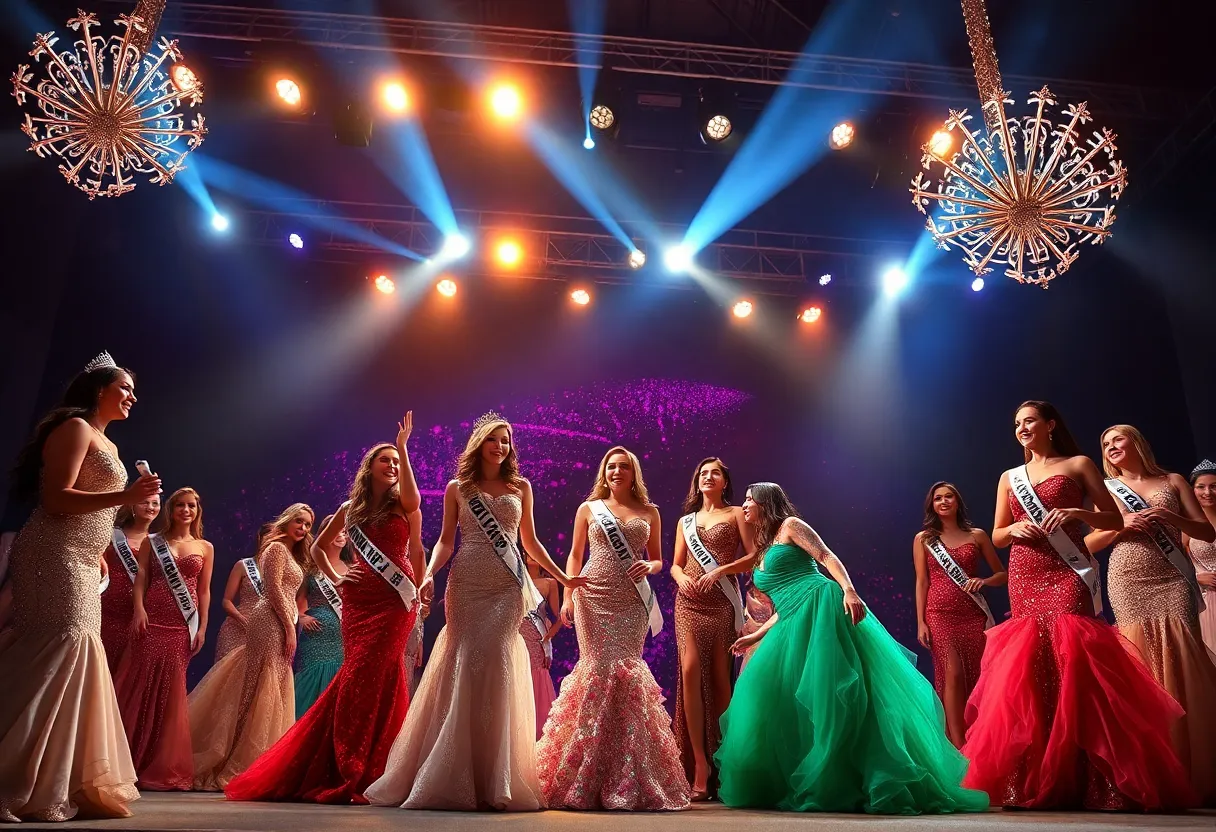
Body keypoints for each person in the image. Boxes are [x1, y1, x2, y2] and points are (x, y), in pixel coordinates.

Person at [961, 401, 1196, 810]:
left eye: (1029, 420)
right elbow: (998, 535)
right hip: (1025, 572)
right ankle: (1034, 775)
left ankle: (1097, 779)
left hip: (1066, 570)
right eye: (1016, 423)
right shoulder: (1009, 477)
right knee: (1031, 665)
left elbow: (1114, 520)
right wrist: (1015, 526)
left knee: (1076, 661)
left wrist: (1074, 511)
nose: (1021, 428)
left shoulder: (1079, 464)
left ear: (1050, 425)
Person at [714, 482, 987, 814]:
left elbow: (826, 556)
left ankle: (851, 778)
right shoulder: (764, 545)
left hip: (824, 610)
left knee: (834, 696)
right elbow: (785, 604)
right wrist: (756, 636)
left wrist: (849, 590)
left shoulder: (791, 527)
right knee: (784, 698)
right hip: (793, 622)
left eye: (748, 500)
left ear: (765, 503)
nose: (743, 505)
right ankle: (799, 778)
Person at [366, 413, 585, 811]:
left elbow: (530, 544)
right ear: (479, 444)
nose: (501, 447)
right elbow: (446, 543)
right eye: (494, 440)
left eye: (506, 441)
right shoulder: (457, 488)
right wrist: (429, 573)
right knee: (464, 660)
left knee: (498, 660)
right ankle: (453, 771)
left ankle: (494, 777)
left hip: (506, 588)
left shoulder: (521, 487)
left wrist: (564, 578)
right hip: (466, 584)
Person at [227, 419, 426, 804]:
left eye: (396, 463)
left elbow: (415, 502)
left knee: (382, 674)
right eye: (385, 461)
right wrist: (337, 575)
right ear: (369, 468)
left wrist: (403, 447)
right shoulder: (351, 509)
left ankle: (378, 766)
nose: (393, 467)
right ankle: (346, 762)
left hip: (394, 601)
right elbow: (318, 550)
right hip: (359, 601)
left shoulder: (403, 503)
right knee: (358, 675)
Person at [0, 352, 160, 821]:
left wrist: (102, 556)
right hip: (52, 554)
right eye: (124, 388)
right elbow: (56, 499)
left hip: (84, 563)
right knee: (60, 647)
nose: (132, 396)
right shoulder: (75, 430)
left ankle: (62, 777)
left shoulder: (110, 447)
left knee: (71, 653)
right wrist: (128, 495)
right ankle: (16, 773)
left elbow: (98, 516)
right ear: (98, 391)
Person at [537, 446, 690, 811]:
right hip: (593, 591)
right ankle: (582, 770)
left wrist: (651, 568)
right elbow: (575, 555)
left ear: (633, 473)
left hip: (632, 599)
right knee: (596, 669)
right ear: (603, 472)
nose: (616, 472)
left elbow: (657, 557)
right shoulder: (589, 509)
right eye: (611, 467)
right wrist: (570, 594)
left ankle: (627, 770)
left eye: (623, 467)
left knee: (626, 670)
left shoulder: (649, 511)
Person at [1084, 425, 1216, 803]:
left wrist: (1169, 519)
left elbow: (1205, 531)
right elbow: (1089, 541)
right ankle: (1152, 770)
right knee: (1140, 665)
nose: (1110, 448)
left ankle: (1189, 767)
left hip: (1172, 577)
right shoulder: (1107, 490)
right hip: (1128, 578)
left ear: (1137, 442)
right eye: (1105, 444)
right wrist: (1120, 524)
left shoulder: (1172, 480)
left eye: (1117, 440)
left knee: (1180, 661)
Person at [189, 503, 314, 790]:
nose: (303, 528)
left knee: (272, 683)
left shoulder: (291, 553)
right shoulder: (276, 549)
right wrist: (288, 628)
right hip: (269, 619)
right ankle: (236, 760)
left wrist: (289, 625)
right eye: (299, 521)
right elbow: (273, 591)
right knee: (260, 684)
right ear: (286, 520)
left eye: (308, 525)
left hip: (277, 619)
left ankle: (264, 761)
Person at [114, 487, 212, 790]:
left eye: (191, 505)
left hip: (182, 625)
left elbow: (204, 590)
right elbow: (142, 577)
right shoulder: (153, 542)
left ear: (197, 510)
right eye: (180, 505)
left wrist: (202, 628)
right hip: (151, 620)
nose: (186, 510)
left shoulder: (205, 547)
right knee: (138, 685)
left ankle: (159, 763)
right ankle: (126, 761)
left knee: (170, 693)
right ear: (171, 510)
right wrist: (139, 610)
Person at [670, 456, 755, 799]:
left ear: (724, 482)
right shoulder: (685, 521)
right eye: (703, 473)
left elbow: (753, 556)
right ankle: (700, 764)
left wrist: (720, 571)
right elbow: (675, 565)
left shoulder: (736, 515)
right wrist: (681, 580)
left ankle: (725, 762)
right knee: (689, 671)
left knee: (721, 681)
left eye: (714, 473)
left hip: (722, 602)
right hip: (689, 603)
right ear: (698, 481)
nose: (708, 477)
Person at [911, 482, 1006, 748]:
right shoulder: (924, 539)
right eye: (937, 498)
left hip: (973, 614)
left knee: (977, 675)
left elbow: (1002, 575)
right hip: (939, 614)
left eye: (948, 496)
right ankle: (957, 744)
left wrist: (983, 581)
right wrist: (920, 621)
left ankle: (980, 738)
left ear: (957, 501)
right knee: (952, 674)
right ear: (932, 504)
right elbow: (921, 582)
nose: (943, 501)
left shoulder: (977, 535)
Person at [292, 513, 349, 719]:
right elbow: (295, 600)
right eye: (337, 530)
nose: (341, 534)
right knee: (308, 687)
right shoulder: (310, 569)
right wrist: (301, 617)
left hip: (342, 639)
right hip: (314, 640)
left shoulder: (353, 568)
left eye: (345, 531)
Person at [100, 495, 160, 674]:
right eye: (144, 502)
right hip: (106, 609)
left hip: (136, 613)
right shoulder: (111, 534)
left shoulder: (160, 543)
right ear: (132, 505)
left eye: (155, 503)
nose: (150, 507)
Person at [213, 524, 271, 662]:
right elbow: (226, 601)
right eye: (268, 538)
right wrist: (242, 620)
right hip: (237, 629)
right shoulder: (243, 565)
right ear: (260, 538)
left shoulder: (283, 571)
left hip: (265, 632)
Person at [518, 553, 561, 739]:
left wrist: (548, 638)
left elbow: (560, 616)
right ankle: (518, 726)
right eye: (527, 552)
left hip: (537, 639)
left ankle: (535, 730)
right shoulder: (516, 579)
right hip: (518, 637)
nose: (531, 556)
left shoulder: (550, 583)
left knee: (536, 675)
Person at [1186, 459, 1216, 653]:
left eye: (1214, 486)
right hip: (1208, 600)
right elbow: (1172, 565)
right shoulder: (1188, 524)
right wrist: (1197, 579)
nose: (1207, 492)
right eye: (1201, 487)